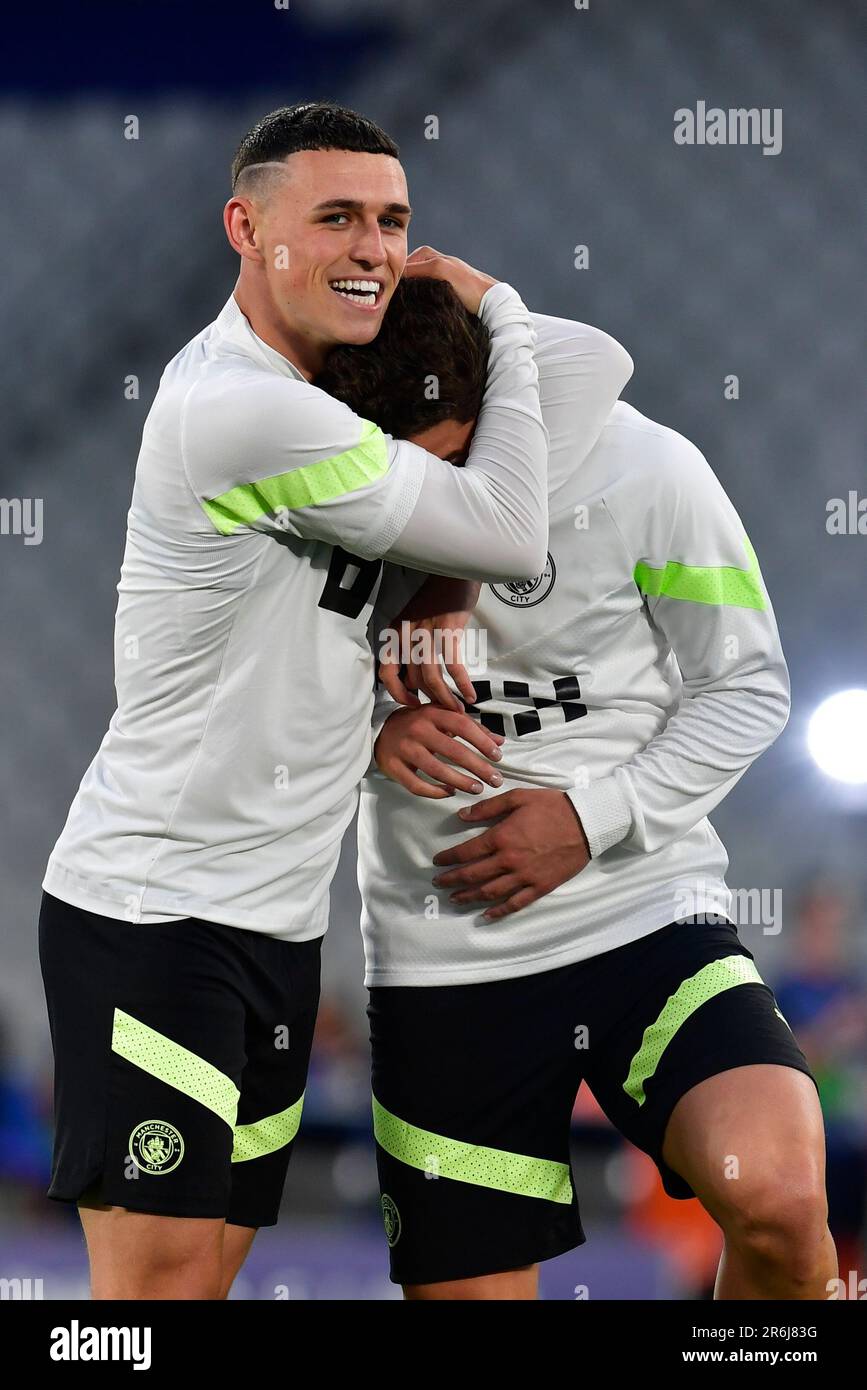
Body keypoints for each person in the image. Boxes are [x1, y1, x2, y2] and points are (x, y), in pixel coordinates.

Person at [38, 101, 632, 1301]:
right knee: (143, 1309)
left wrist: (390, 681)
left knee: (199, 1284)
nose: (374, 247)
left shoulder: (346, 383)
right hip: (157, 917)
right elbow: (514, 522)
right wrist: (496, 307)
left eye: (395, 221)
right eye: (339, 218)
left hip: (275, 932)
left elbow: (599, 366)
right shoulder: (242, 408)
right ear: (246, 228)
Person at [318, 276, 835, 1300]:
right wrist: (370, 732)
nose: (432, 508)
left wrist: (589, 819)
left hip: (645, 919)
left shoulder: (648, 470)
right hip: (445, 961)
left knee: (778, 1199)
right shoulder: (324, 490)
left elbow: (747, 684)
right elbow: (242, 715)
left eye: (459, 466)